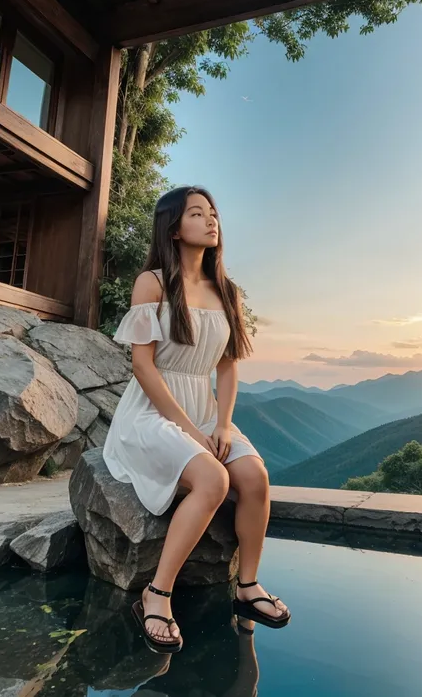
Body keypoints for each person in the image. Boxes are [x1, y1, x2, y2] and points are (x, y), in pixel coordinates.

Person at [103, 186, 290, 653]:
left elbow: (227, 366)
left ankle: (247, 587)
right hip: (153, 411)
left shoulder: (226, 290)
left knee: (255, 476)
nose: (212, 221)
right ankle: (157, 593)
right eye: (197, 213)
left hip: (205, 410)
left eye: (214, 214)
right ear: (173, 226)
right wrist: (189, 430)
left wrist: (222, 424)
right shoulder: (153, 282)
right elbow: (143, 366)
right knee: (212, 479)